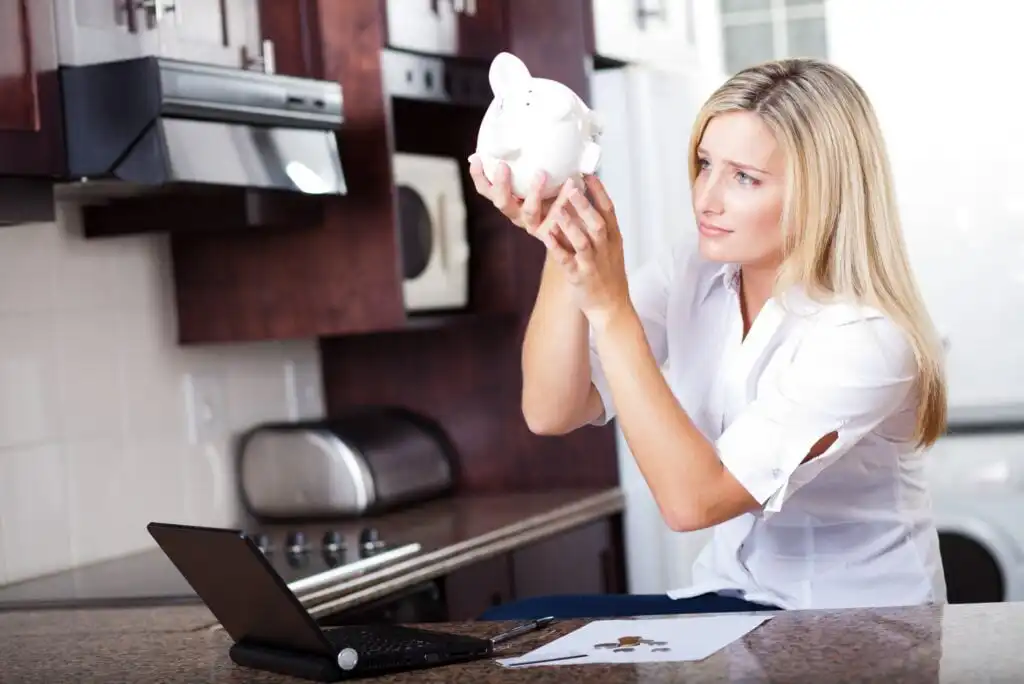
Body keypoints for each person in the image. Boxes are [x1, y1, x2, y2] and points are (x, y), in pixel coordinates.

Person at [467, 57, 949, 620]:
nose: (706, 199)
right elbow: (553, 409)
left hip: (858, 629)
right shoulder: (692, 269)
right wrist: (562, 235)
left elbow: (694, 500)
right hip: (733, 607)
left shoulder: (865, 338)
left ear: (822, 194)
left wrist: (611, 305)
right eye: (704, 165)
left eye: (744, 177)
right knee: (513, 626)